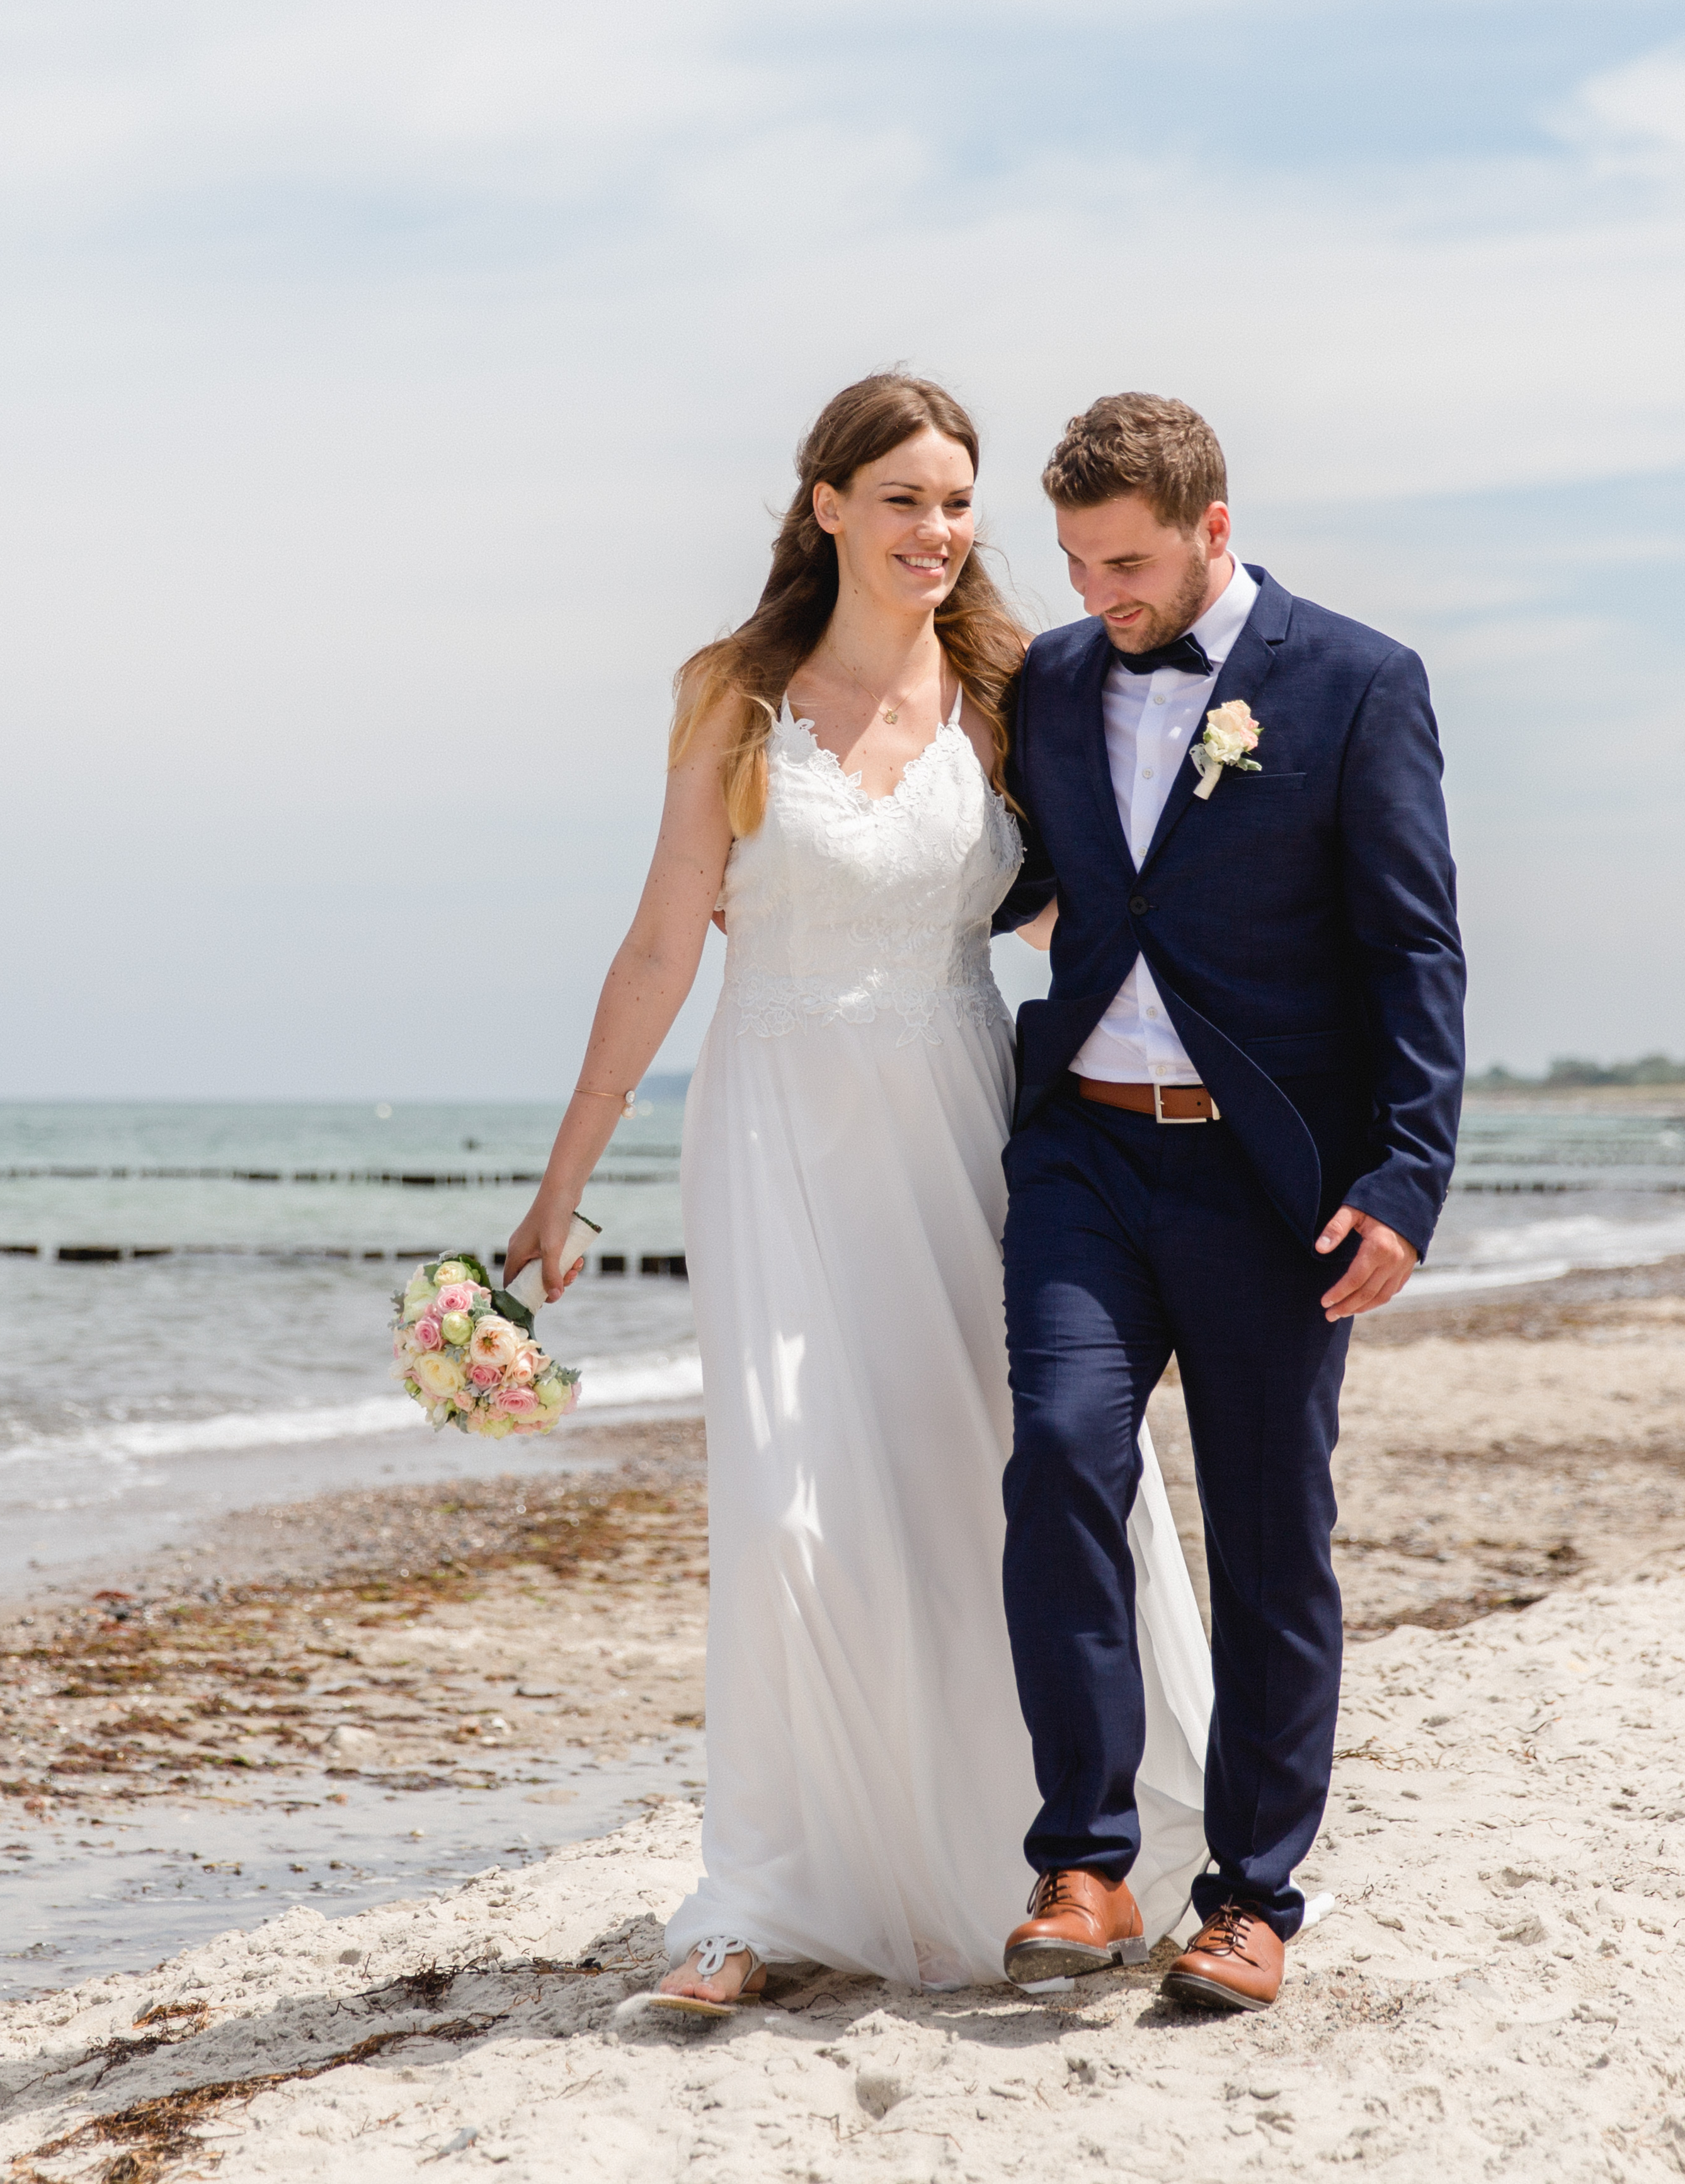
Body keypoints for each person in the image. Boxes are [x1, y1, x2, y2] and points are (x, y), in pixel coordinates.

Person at [507, 373, 1211, 2010]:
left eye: (957, 501)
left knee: (998, 1490)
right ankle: (764, 1896)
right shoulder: (732, 696)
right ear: (824, 503)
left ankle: (1067, 1857)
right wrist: (565, 1181)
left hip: (967, 1128)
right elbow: (663, 941)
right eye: (903, 497)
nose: (938, 532)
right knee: (791, 1511)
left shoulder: (1008, 692)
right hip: (779, 1133)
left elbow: (1084, 912)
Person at [988, 394, 1465, 2014]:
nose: (1094, 594)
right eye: (1070, 562)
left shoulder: (1358, 682)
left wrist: (1407, 1177)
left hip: (1277, 1186)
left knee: (1272, 1536)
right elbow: (998, 858)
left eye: (1123, 562)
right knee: (1057, 1455)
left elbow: (1413, 947)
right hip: (1083, 1155)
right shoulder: (1051, 679)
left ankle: (1252, 1898)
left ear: (1214, 528)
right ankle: (1085, 1860)